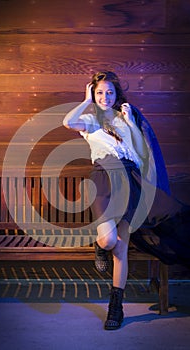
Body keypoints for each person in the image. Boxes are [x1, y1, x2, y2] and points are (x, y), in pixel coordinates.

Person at [63, 71, 190, 330]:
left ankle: (115, 308)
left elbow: (140, 153)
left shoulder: (125, 118)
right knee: (108, 240)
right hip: (103, 177)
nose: (104, 97)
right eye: (99, 92)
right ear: (93, 92)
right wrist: (86, 98)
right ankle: (100, 246)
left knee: (120, 248)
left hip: (129, 179)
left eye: (109, 92)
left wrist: (130, 122)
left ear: (116, 94)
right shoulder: (89, 120)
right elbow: (67, 122)